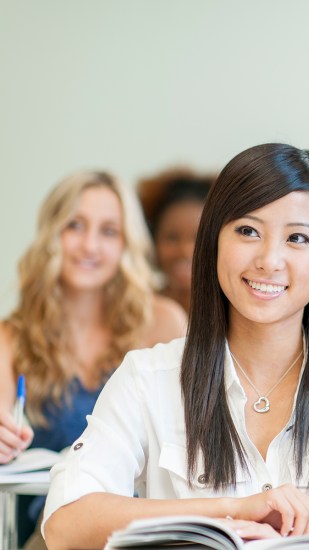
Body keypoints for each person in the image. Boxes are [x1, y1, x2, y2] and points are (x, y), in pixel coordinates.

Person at [42, 144, 309, 550]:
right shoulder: (148, 378)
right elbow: (65, 524)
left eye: (297, 238)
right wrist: (232, 510)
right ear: (214, 240)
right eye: (248, 231)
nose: (269, 260)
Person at [0, 170, 187, 545]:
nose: (89, 245)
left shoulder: (162, 322)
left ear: (125, 244)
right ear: (51, 234)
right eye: (75, 226)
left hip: (141, 519)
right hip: (52, 526)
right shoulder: (11, 337)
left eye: (108, 231)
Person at [137, 167, 214, 313]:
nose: (185, 250)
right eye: (172, 238)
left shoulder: (238, 315)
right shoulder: (134, 310)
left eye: (198, 239)